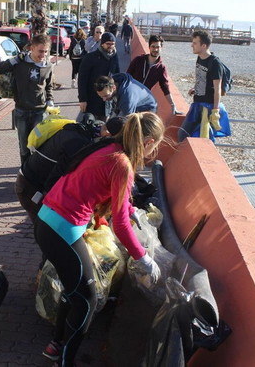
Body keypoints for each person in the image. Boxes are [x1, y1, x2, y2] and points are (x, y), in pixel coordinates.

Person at [35, 112, 163, 367]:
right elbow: (121, 225)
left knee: (75, 289)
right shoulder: (122, 164)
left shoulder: (109, 147)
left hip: (48, 220)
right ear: (148, 142)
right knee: (86, 301)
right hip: (62, 229)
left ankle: (55, 344)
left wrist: (131, 210)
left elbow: (115, 199)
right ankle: (64, 361)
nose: (154, 151)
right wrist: (143, 257)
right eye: (156, 146)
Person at [15, 114, 124, 224]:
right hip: (30, 186)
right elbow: (57, 175)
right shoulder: (78, 143)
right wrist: (50, 203)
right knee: (49, 229)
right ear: (108, 133)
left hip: (30, 178)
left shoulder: (89, 128)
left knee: (51, 228)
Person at [0, 34, 54, 165]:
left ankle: (35, 173)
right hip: (22, 110)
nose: (43, 55)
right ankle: (25, 171)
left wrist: (50, 100)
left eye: (46, 51)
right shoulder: (20, 63)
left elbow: (48, 86)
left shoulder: (48, 66)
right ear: (32, 48)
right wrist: (14, 60)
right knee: (24, 146)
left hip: (39, 111)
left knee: (38, 145)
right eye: (40, 51)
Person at [178, 30, 229, 142]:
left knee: (200, 137)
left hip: (208, 107)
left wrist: (215, 111)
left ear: (204, 46)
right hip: (197, 104)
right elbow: (202, 78)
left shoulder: (215, 64)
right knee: (185, 135)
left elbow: (217, 89)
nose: (192, 45)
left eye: (195, 43)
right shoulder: (200, 58)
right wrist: (196, 88)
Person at [126, 35, 181, 115]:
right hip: (130, 98)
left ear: (161, 48)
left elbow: (165, 88)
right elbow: (127, 77)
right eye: (153, 46)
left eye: (158, 47)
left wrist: (173, 105)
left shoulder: (161, 68)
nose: (155, 49)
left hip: (143, 102)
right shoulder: (138, 60)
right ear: (149, 47)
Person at [78, 31, 120, 121]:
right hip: (92, 101)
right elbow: (82, 79)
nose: (111, 46)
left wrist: (116, 98)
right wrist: (82, 99)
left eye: (113, 44)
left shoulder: (114, 57)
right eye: (108, 44)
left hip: (107, 103)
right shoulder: (90, 57)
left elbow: (117, 77)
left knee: (103, 130)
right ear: (102, 44)